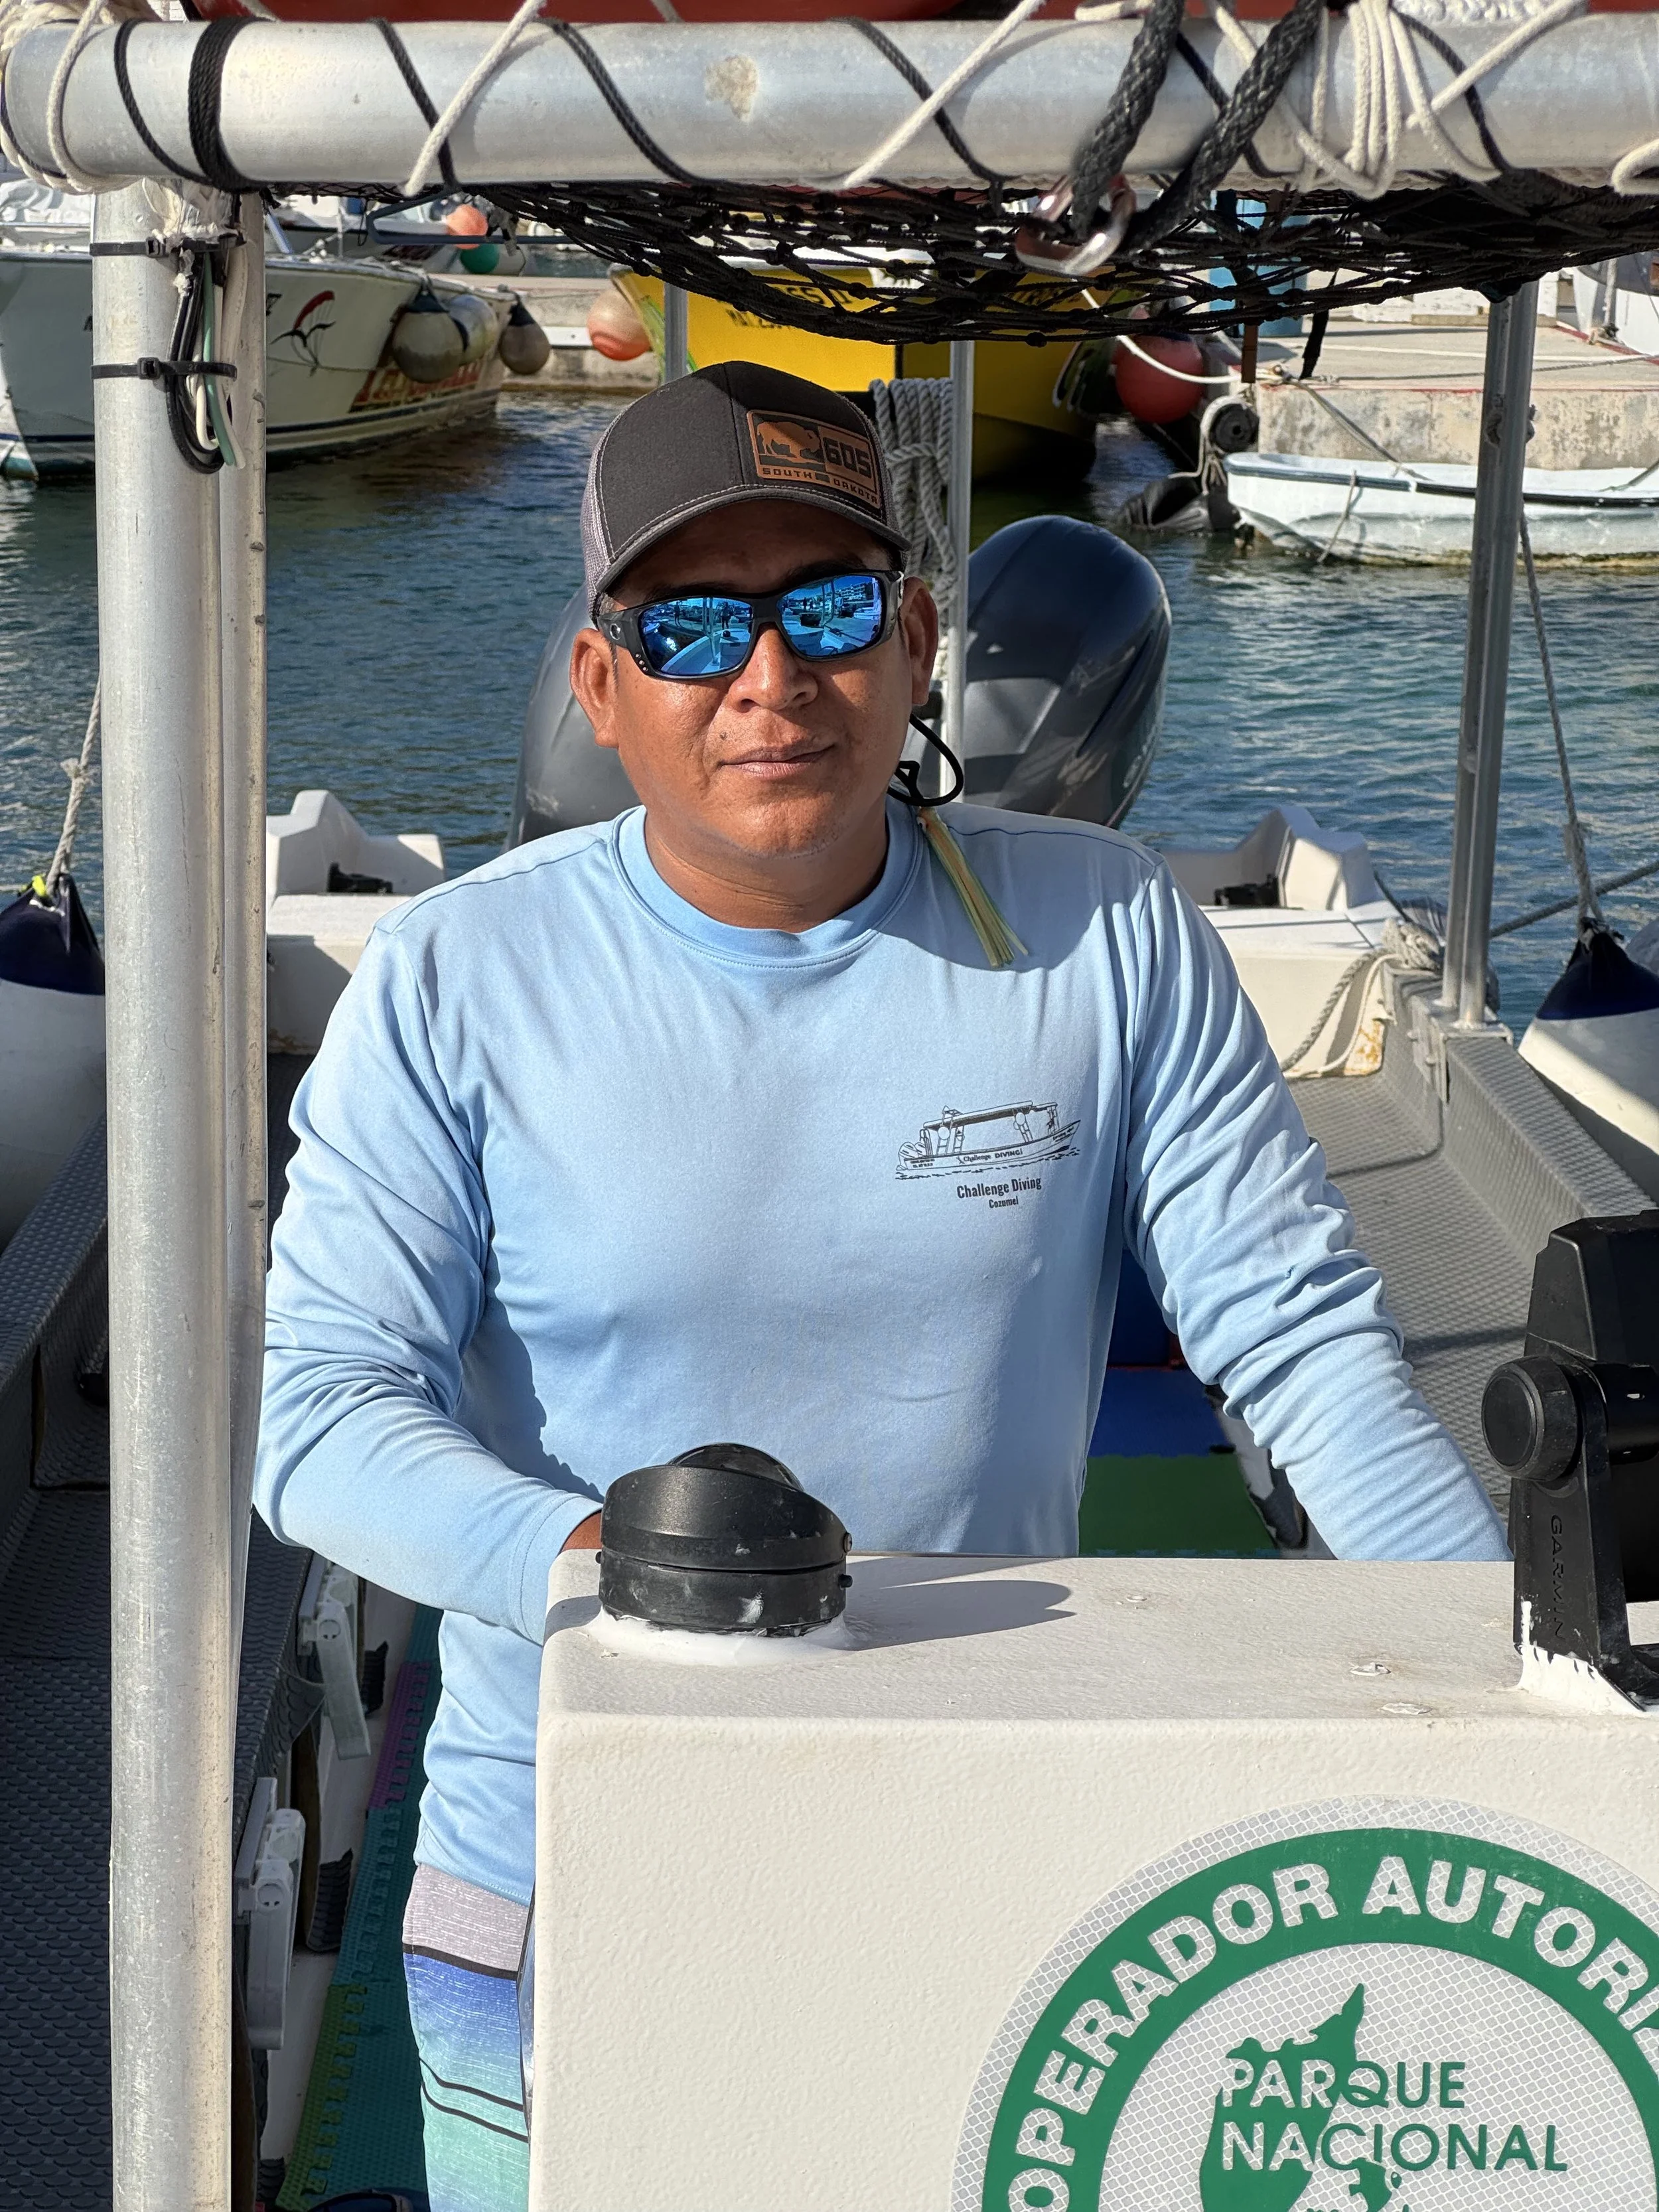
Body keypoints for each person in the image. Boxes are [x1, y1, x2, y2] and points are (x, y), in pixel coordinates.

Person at [256, 360, 1506, 2211]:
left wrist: (1517, 1662)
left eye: (828, 606)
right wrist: (600, 1560)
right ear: (601, 687)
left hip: (970, 1812)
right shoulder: (453, 978)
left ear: (917, 642)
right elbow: (319, 1420)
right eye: (687, 625)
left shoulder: (1107, 930)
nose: (769, 678)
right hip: (563, 1862)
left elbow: (1306, 1348)